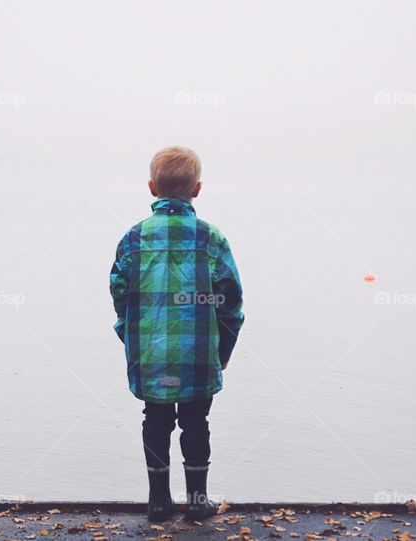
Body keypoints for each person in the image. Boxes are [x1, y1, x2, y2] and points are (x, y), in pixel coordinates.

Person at [109, 146, 245, 521]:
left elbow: (119, 292)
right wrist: (222, 351)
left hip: (151, 354)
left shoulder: (134, 238)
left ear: (152, 188)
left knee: (155, 420)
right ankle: (198, 501)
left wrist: (131, 336)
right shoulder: (210, 238)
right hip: (197, 355)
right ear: (197, 189)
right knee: (195, 422)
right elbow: (230, 300)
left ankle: (158, 501)